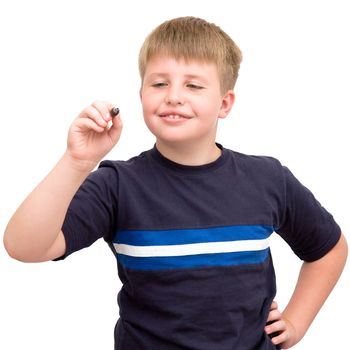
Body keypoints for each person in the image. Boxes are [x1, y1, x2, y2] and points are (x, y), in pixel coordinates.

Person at [4, 16, 347, 350]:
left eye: (193, 85)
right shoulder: (118, 185)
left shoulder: (268, 179)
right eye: (159, 83)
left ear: (224, 104)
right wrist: (77, 162)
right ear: (141, 96)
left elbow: (328, 248)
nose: (173, 96)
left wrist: (296, 323)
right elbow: (25, 247)